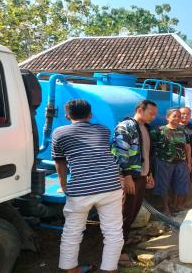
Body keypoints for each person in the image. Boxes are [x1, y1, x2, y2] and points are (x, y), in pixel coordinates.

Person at [52, 99, 123, 273]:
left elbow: (60, 164)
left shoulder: (59, 133)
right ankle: (109, 269)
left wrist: (64, 186)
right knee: (113, 231)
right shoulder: (103, 130)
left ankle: (71, 269)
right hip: (110, 184)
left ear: (67, 115)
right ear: (90, 115)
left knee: (72, 232)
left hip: (81, 189)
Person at [112, 100, 157, 266]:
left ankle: (122, 243)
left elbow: (145, 154)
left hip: (141, 176)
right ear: (140, 109)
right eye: (151, 113)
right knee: (124, 213)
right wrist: (127, 176)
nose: (153, 116)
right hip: (130, 177)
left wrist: (149, 173)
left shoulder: (145, 128)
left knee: (132, 212)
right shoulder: (126, 126)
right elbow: (120, 152)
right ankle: (117, 252)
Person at [151, 109, 191, 215]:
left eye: (179, 116)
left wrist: (189, 162)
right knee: (163, 185)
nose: (177, 118)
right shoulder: (159, 131)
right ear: (167, 117)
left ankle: (177, 206)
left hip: (181, 162)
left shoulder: (183, 131)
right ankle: (166, 208)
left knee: (181, 184)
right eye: (174, 116)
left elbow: (187, 147)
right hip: (164, 162)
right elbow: (151, 147)